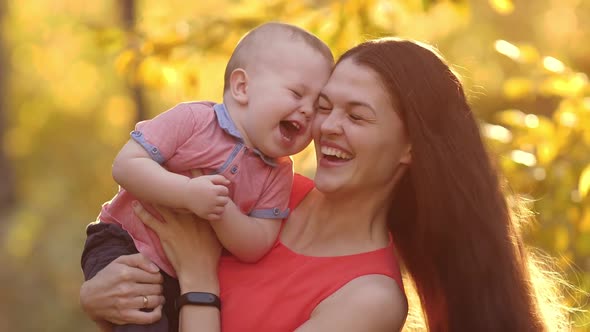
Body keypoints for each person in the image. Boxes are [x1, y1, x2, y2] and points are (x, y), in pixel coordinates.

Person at [80, 37, 571, 331]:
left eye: (357, 115)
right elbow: (141, 243)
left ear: (410, 149)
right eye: (324, 106)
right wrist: (100, 297)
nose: (328, 126)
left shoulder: (370, 298)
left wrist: (200, 281)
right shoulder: (264, 192)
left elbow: (188, 269)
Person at [81, 22, 333, 331]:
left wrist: (221, 209)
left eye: (318, 105)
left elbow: (257, 243)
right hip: (125, 241)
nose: (307, 111)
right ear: (242, 88)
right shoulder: (193, 120)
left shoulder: (279, 172)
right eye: (297, 93)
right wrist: (186, 193)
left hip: (182, 272)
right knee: (141, 317)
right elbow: (126, 165)